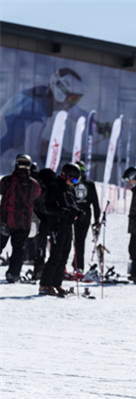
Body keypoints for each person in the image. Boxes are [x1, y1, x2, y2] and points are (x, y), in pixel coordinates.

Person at [0, 68, 85, 173]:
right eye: (73, 98)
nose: (73, 104)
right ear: (61, 91)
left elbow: (75, 113)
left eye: (78, 99)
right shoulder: (38, 111)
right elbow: (32, 154)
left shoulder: (38, 96)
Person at [39, 163, 83, 296]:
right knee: (55, 255)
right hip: (56, 225)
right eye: (73, 179)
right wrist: (64, 212)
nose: (74, 183)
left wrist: (78, 213)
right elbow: (49, 207)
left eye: (77, 180)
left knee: (64, 255)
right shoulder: (55, 186)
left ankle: (56, 283)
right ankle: (44, 284)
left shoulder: (69, 189)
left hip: (67, 225)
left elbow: (71, 205)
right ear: (65, 176)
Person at [0, 154, 41, 282]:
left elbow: (1, 191)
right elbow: (37, 196)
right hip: (23, 223)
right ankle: (13, 274)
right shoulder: (34, 184)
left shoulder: (6, 180)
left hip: (6, 220)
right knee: (18, 249)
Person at [70, 161, 100, 275]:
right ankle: (77, 264)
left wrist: (97, 219)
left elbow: (95, 203)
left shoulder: (87, 184)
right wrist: (96, 218)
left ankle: (78, 265)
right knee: (78, 241)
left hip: (81, 216)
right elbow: (95, 203)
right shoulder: (86, 184)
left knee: (78, 241)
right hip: (80, 215)